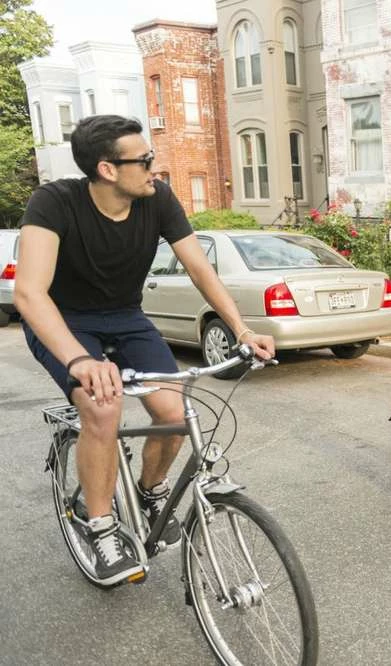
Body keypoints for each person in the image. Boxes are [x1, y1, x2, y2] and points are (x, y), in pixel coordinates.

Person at [14, 115, 275, 586]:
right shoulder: (54, 202)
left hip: (126, 317)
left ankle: (149, 491)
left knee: (173, 411)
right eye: (145, 159)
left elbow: (200, 268)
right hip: (65, 322)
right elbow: (30, 293)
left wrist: (241, 330)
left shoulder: (158, 199)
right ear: (107, 169)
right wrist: (80, 360)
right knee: (102, 406)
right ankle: (101, 526)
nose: (155, 167)